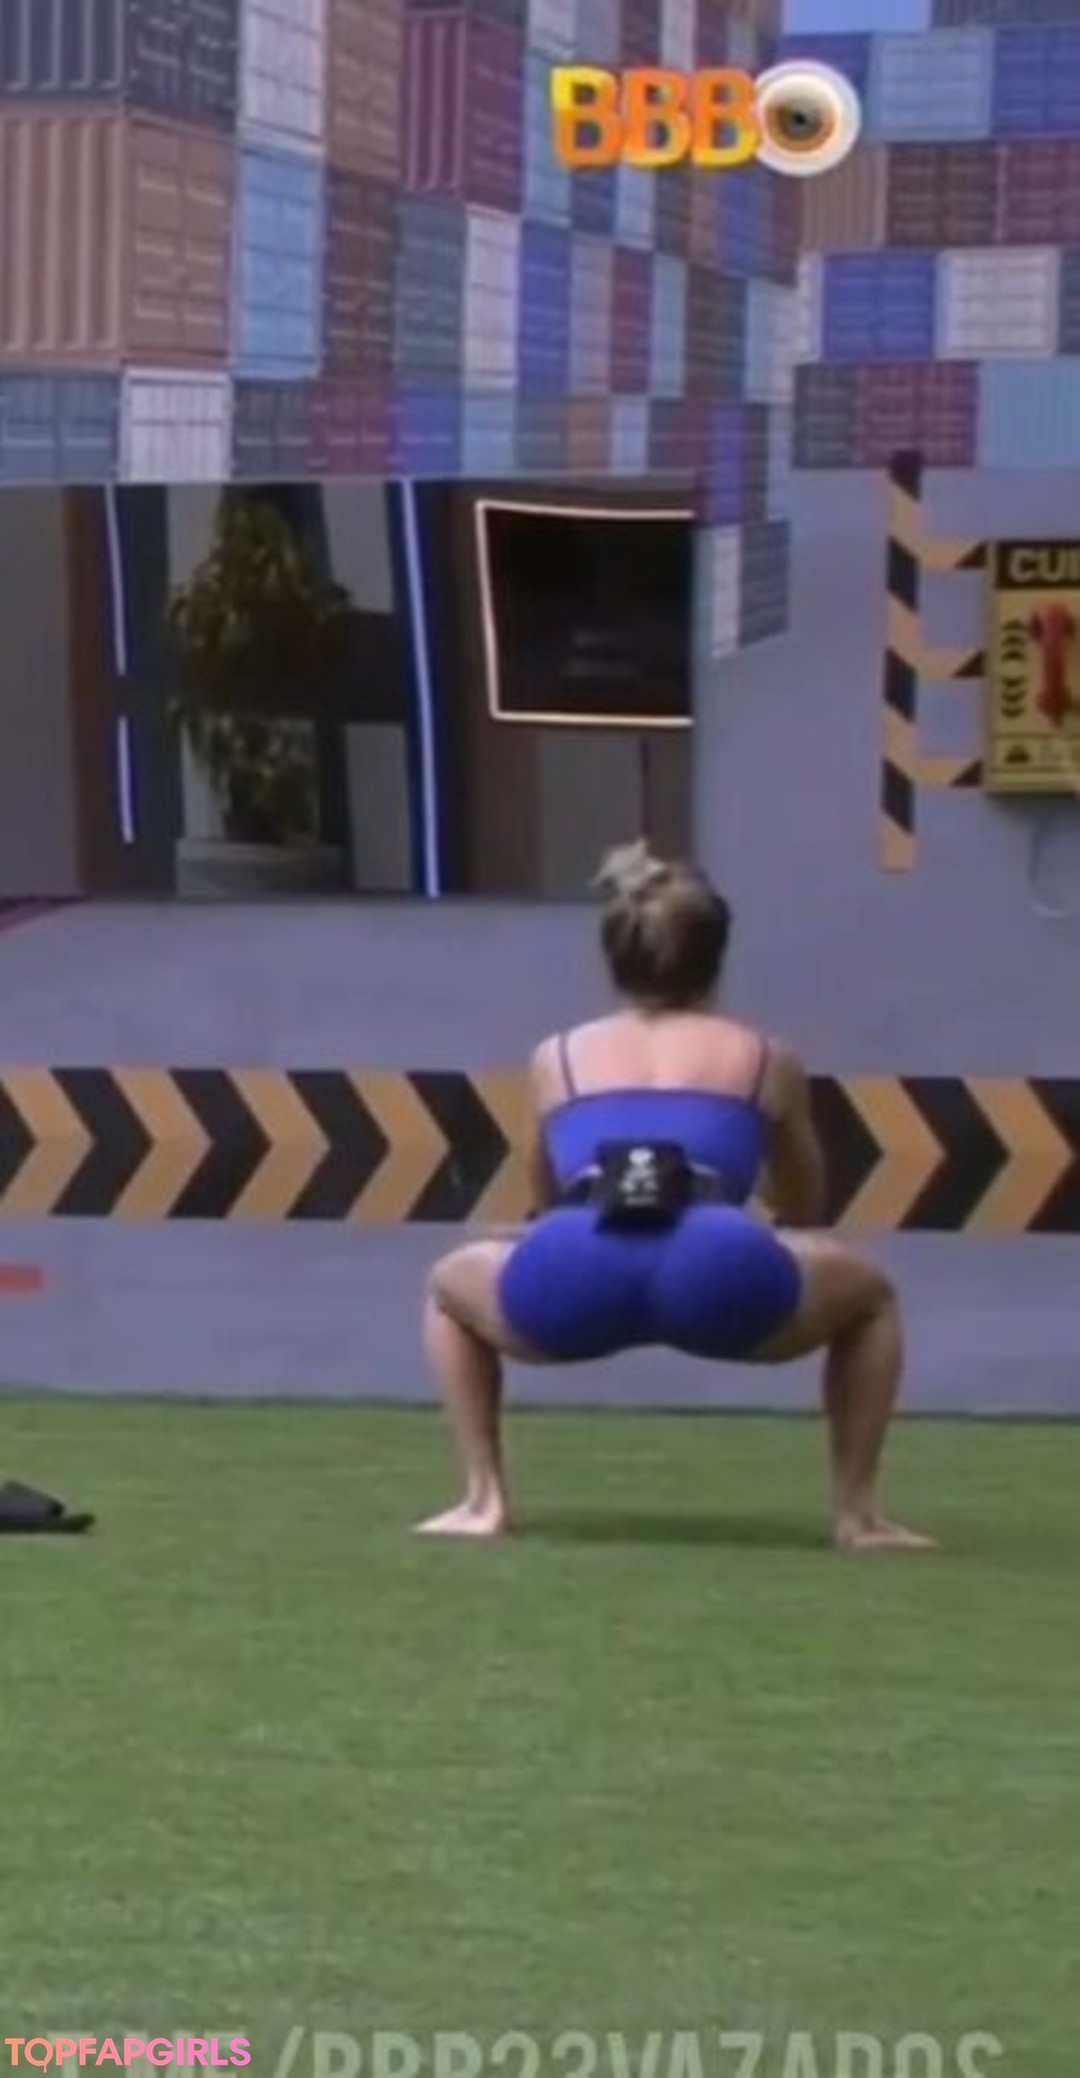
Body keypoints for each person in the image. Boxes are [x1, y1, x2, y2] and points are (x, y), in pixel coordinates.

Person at [416, 841, 932, 1553]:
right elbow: (803, 1199)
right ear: (715, 957)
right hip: (720, 1262)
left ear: (614, 956)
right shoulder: (765, 1057)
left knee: (449, 1287)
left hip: (576, 1261)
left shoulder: (556, 1056)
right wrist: (781, 1229)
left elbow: (545, 1191)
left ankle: (484, 1501)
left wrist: (543, 1236)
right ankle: (857, 1515)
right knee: (870, 1295)